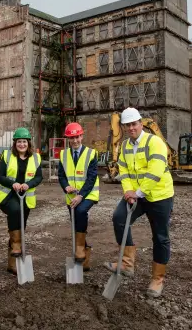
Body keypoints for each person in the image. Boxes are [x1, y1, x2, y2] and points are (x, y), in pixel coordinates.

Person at [104, 107, 174, 298]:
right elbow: (124, 171)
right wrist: (127, 191)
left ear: (140, 123)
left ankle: (157, 280)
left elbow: (156, 170)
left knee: (160, 237)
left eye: (134, 124)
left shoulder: (155, 142)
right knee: (119, 217)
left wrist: (139, 192)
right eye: (127, 125)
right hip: (135, 194)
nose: (131, 128)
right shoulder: (125, 145)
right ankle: (127, 263)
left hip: (159, 195)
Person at [0, 127, 42, 275]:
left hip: (26, 197)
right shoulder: (7, 156)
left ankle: (12, 263)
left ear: (29, 143)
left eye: (24, 141)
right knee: (15, 211)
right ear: (15, 143)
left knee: (21, 226)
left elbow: (39, 177)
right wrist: (12, 183)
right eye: (19, 142)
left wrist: (29, 184)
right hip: (8, 196)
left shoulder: (35, 157)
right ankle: (16, 245)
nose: (22, 144)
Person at [58, 122, 99, 271]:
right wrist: (66, 186)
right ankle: (84, 258)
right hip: (71, 195)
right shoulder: (63, 154)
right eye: (71, 138)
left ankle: (80, 249)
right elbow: (61, 176)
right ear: (68, 139)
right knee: (75, 223)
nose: (75, 141)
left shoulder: (91, 153)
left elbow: (92, 178)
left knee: (81, 211)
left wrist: (81, 195)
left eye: (77, 137)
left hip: (88, 194)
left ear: (82, 136)